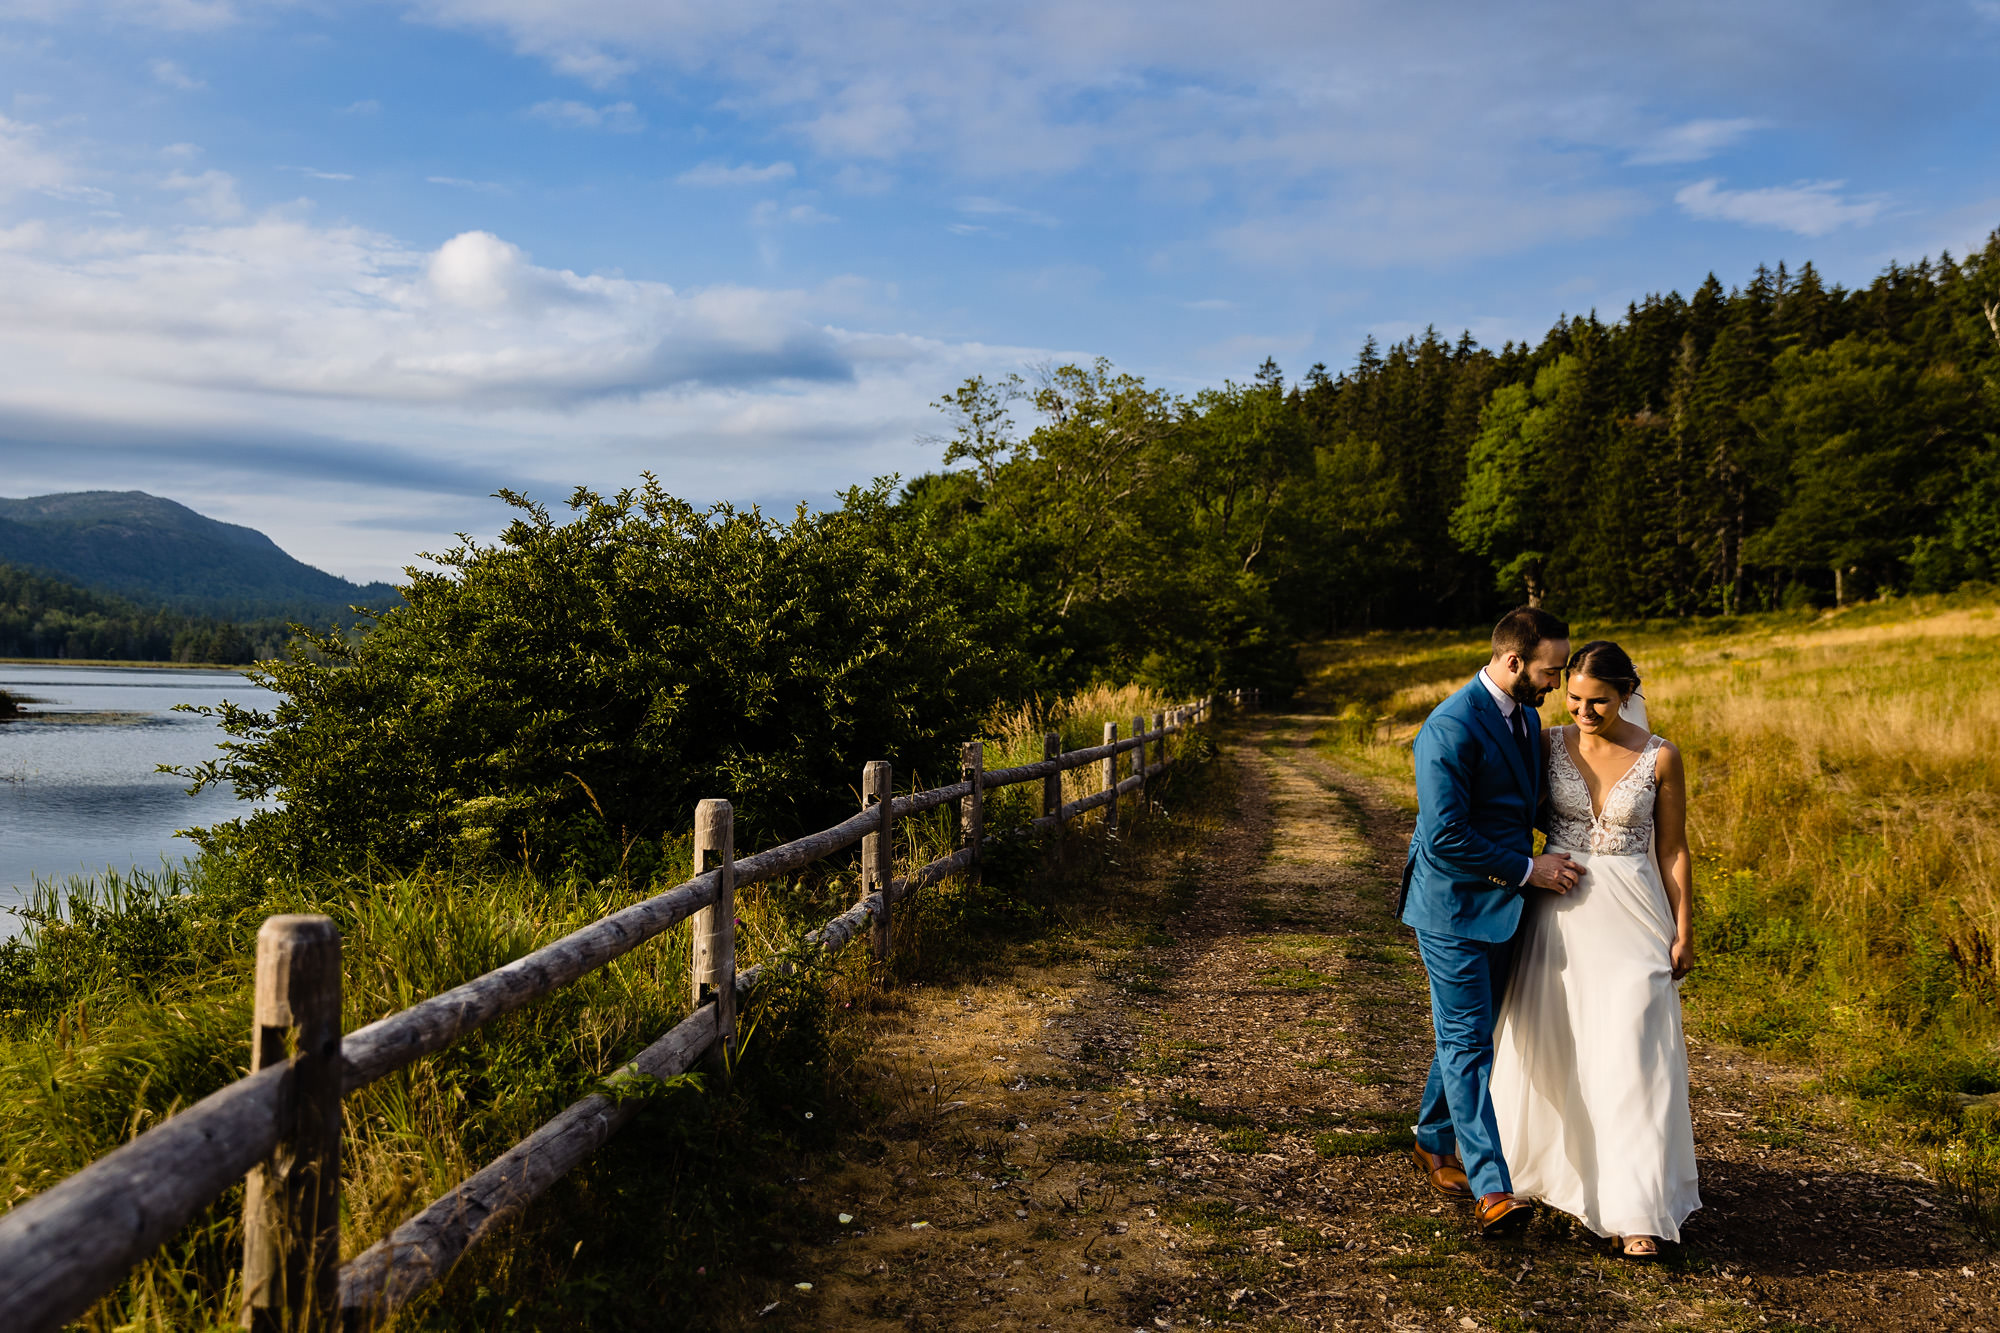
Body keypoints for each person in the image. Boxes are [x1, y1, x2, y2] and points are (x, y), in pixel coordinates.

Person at [1491, 639, 1701, 1259]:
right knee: (1553, 1039)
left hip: (1635, 911)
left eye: (1599, 701)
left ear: (1627, 693)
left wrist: (1685, 926)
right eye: (1575, 698)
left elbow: (1673, 848)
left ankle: (1636, 1207)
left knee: (1635, 1051)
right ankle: (1539, 1173)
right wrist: (1524, 866)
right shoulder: (1547, 743)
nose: (1584, 711)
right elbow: (1506, 817)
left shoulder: (1661, 756)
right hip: (1559, 913)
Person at [1400, 606, 1580, 1236]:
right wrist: (1530, 871)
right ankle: (1492, 1187)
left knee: (1466, 1033)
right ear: (1513, 661)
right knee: (1471, 1041)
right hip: (1451, 908)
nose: (1556, 683)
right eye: (1550, 671)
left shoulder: (1526, 718)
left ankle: (1431, 1134)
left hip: (1503, 910)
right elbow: (1446, 837)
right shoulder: (1449, 728)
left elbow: (1527, 805)